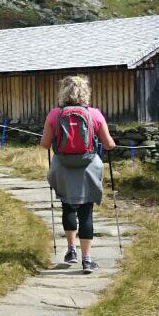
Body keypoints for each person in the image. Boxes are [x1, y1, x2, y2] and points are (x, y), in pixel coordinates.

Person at [40, 74, 116, 274]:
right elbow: (108, 144)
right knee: (86, 212)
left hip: (63, 167)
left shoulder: (55, 115)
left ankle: (71, 251)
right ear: (85, 92)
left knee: (68, 207)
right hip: (88, 167)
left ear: (62, 92)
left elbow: (45, 144)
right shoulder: (95, 115)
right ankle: (87, 260)